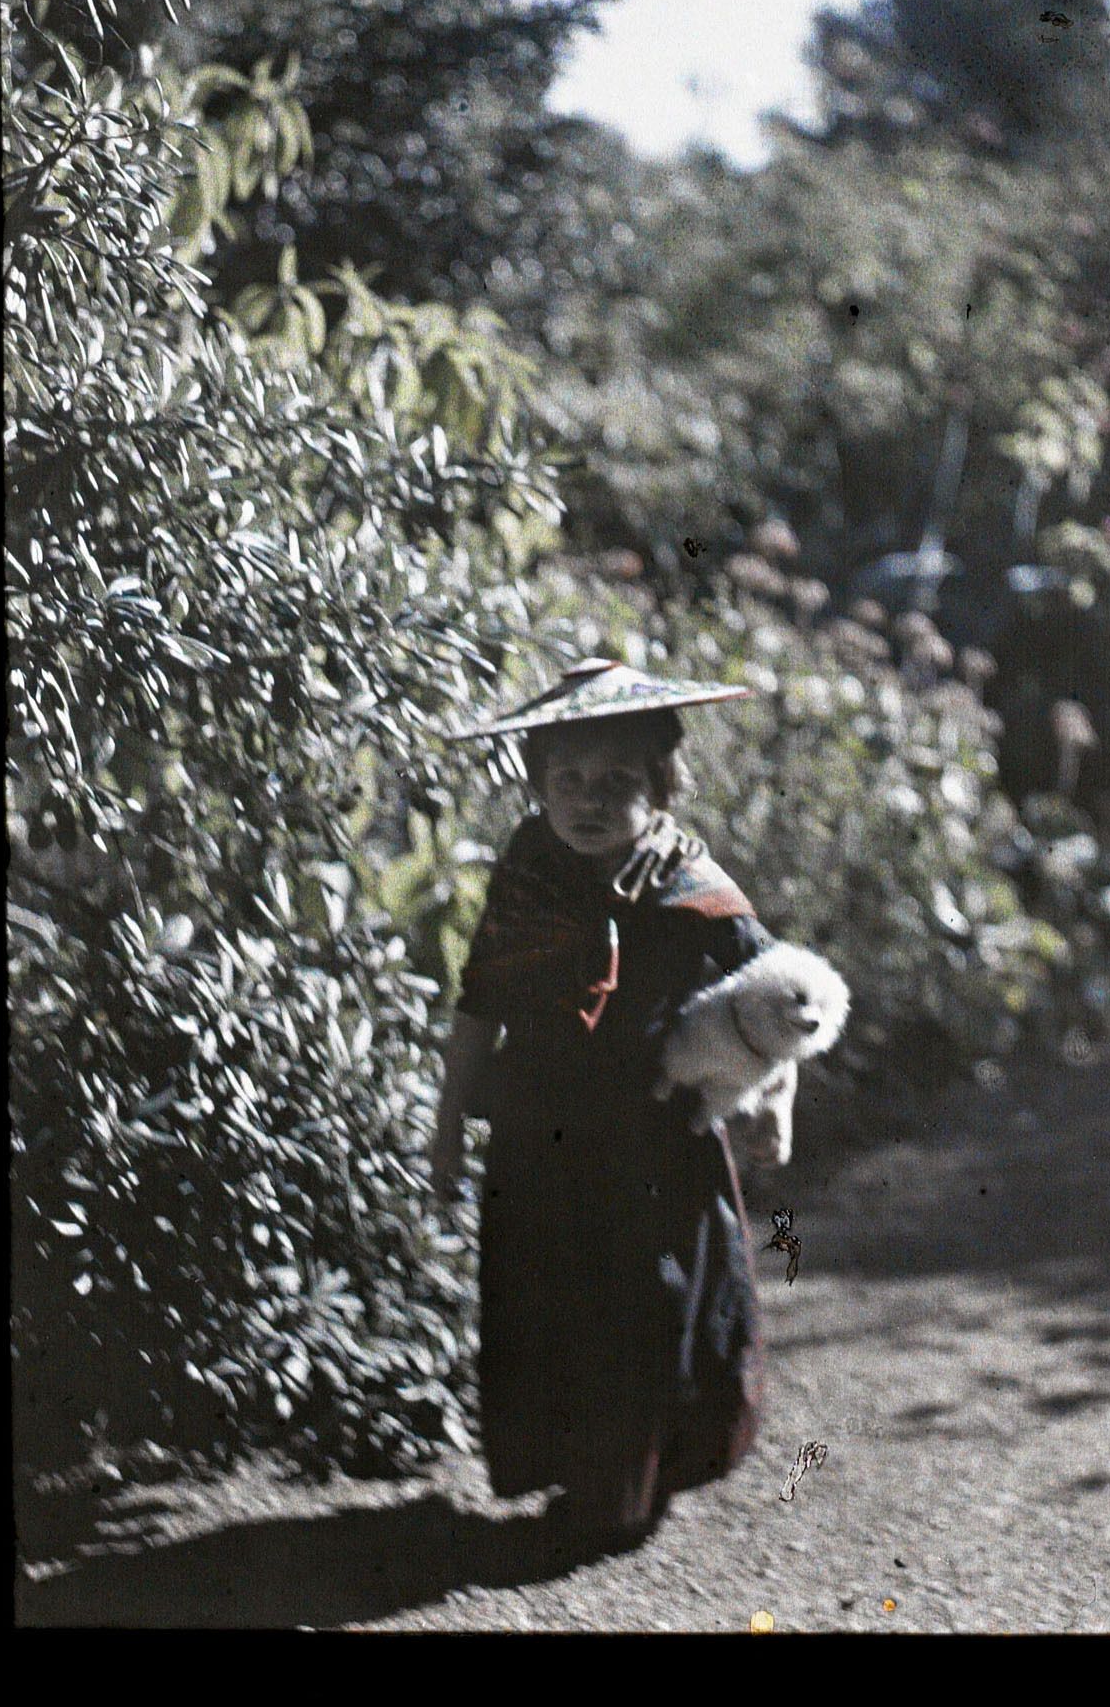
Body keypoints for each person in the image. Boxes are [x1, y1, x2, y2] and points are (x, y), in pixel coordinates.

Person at [429, 658, 782, 1556]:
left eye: (616, 781)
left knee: (645, 1305)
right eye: (567, 780)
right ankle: (580, 1477)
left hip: (650, 1139)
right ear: (537, 783)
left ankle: (624, 1491)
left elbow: (777, 992)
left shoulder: (690, 881)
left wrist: (775, 1105)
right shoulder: (528, 871)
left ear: (661, 786)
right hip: (537, 1132)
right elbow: (479, 1002)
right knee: (550, 1302)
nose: (587, 801)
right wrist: (445, 1126)